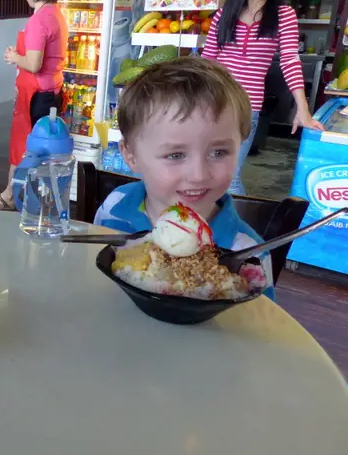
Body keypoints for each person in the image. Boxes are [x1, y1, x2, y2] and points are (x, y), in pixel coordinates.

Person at [93, 58, 275, 299]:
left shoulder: (248, 253)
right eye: (176, 155)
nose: (199, 175)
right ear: (131, 155)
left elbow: (260, 327)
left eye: (218, 152)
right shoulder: (114, 209)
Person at [202, 0, 324, 196]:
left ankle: (234, 232)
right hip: (213, 105)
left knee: (230, 178)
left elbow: (290, 60)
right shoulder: (223, 15)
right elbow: (208, 63)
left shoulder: (283, 16)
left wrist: (303, 109)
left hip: (247, 108)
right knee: (205, 172)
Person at [0, 0, 68, 210]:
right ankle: (31, 197)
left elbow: (33, 63)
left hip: (36, 96)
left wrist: (13, 57)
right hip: (50, 92)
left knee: (23, 145)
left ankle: (10, 196)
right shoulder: (56, 15)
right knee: (41, 147)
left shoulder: (39, 20)